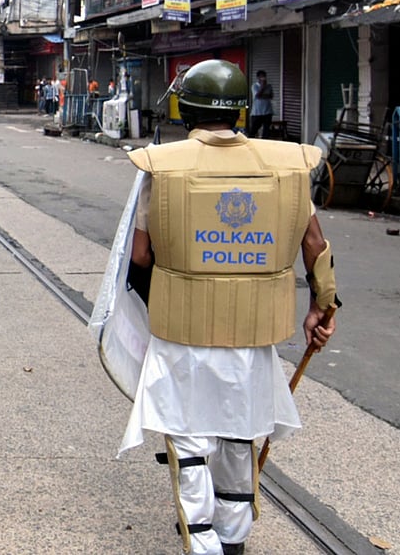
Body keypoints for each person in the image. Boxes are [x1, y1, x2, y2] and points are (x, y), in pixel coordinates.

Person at [123, 59, 338, 555]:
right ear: (242, 111)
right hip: (253, 333)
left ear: (186, 109)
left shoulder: (163, 166)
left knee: (191, 440)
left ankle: (201, 542)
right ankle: (234, 537)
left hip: (181, 333)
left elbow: (139, 255)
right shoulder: (287, 165)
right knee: (239, 432)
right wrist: (322, 309)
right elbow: (314, 244)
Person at [247, 70, 274, 138]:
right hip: (257, 112)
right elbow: (257, 95)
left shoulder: (269, 86)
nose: (263, 78)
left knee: (266, 130)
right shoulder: (254, 86)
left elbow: (270, 96)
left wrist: (263, 94)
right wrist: (262, 86)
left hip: (267, 111)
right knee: (253, 130)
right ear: (258, 77)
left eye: (264, 76)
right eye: (261, 76)